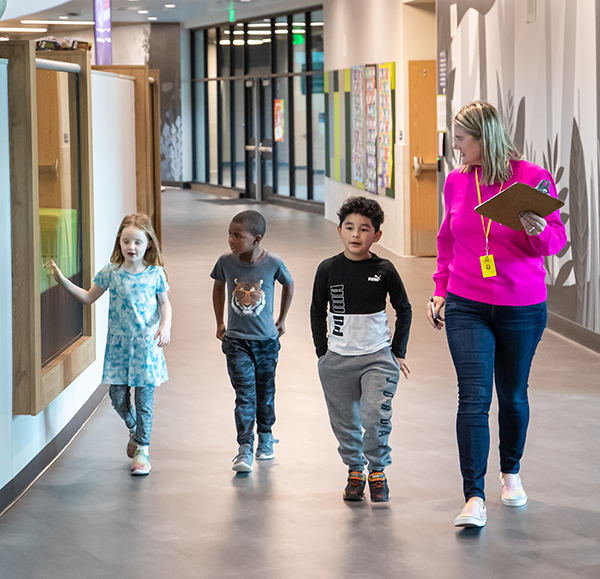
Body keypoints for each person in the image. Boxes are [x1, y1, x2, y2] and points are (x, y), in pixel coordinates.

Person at [427, 101, 567, 528]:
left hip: (521, 305)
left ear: (483, 138)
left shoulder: (532, 178)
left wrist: (539, 232)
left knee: (512, 395)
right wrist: (440, 290)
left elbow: (556, 242)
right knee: (472, 397)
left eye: (461, 138)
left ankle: (511, 473)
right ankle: (473, 496)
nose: (455, 145)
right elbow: (446, 240)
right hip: (467, 302)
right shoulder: (456, 181)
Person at [49, 214, 172, 476]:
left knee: (145, 401)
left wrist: (166, 325)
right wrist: (61, 279)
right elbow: (88, 297)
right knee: (117, 398)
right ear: (120, 242)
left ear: (148, 243)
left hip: (147, 347)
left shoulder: (156, 274)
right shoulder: (111, 272)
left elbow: (165, 303)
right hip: (118, 347)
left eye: (138, 242)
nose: (132, 247)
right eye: (126, 241)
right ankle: (134, 430)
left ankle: (143, 451)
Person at [310, 197, 412, 502]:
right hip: (337, 360)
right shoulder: (328, 269)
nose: (356, 234)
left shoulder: (384, 269)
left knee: (374, 416)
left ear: (376, 235)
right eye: (350, 228)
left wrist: (398, 350)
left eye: (364, 229)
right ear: (339, 230)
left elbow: (403, 308)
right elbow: (317, 310)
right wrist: (322, 352)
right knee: (344, 422)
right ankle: (355, 469)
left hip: (377, 358)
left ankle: (377, 471)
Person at [211, 210, 294, 473]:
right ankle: (244, 448)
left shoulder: (273, 263)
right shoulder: (225, 262)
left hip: (267, 342)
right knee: (244, 396)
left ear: (256, 239)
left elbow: (289, 284)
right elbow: (218, 286)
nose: (231, 240)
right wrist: (219, 322)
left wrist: (281, 319)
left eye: (238, 236)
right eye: (229, 234)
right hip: (236, 342)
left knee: (265, 394)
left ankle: (266, 437)